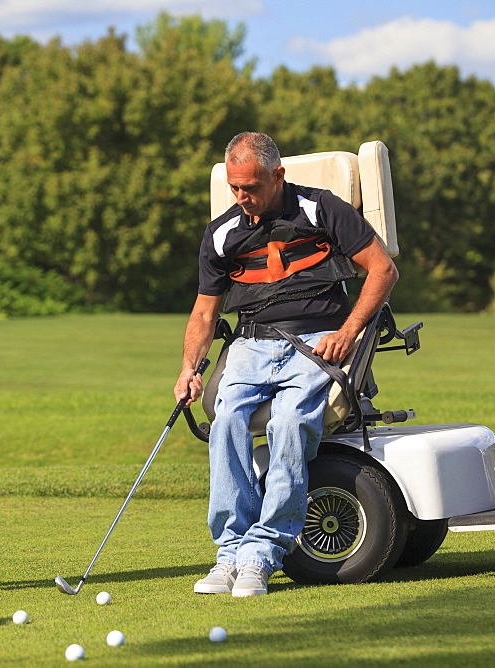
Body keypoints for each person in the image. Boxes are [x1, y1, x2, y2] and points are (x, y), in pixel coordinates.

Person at [174, 132, 398, 597]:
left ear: (278, 175)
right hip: (251, 345)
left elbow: (382, 270)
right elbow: (203, 312)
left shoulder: (323, 209)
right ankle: (230, 553)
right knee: (227, 420)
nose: (242, 198)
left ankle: (261, 554)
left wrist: (348, 331)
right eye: (235, 188)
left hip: (317, 343)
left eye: (251, 187)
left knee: (291, 421)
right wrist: (189, 369)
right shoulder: (221, 233)